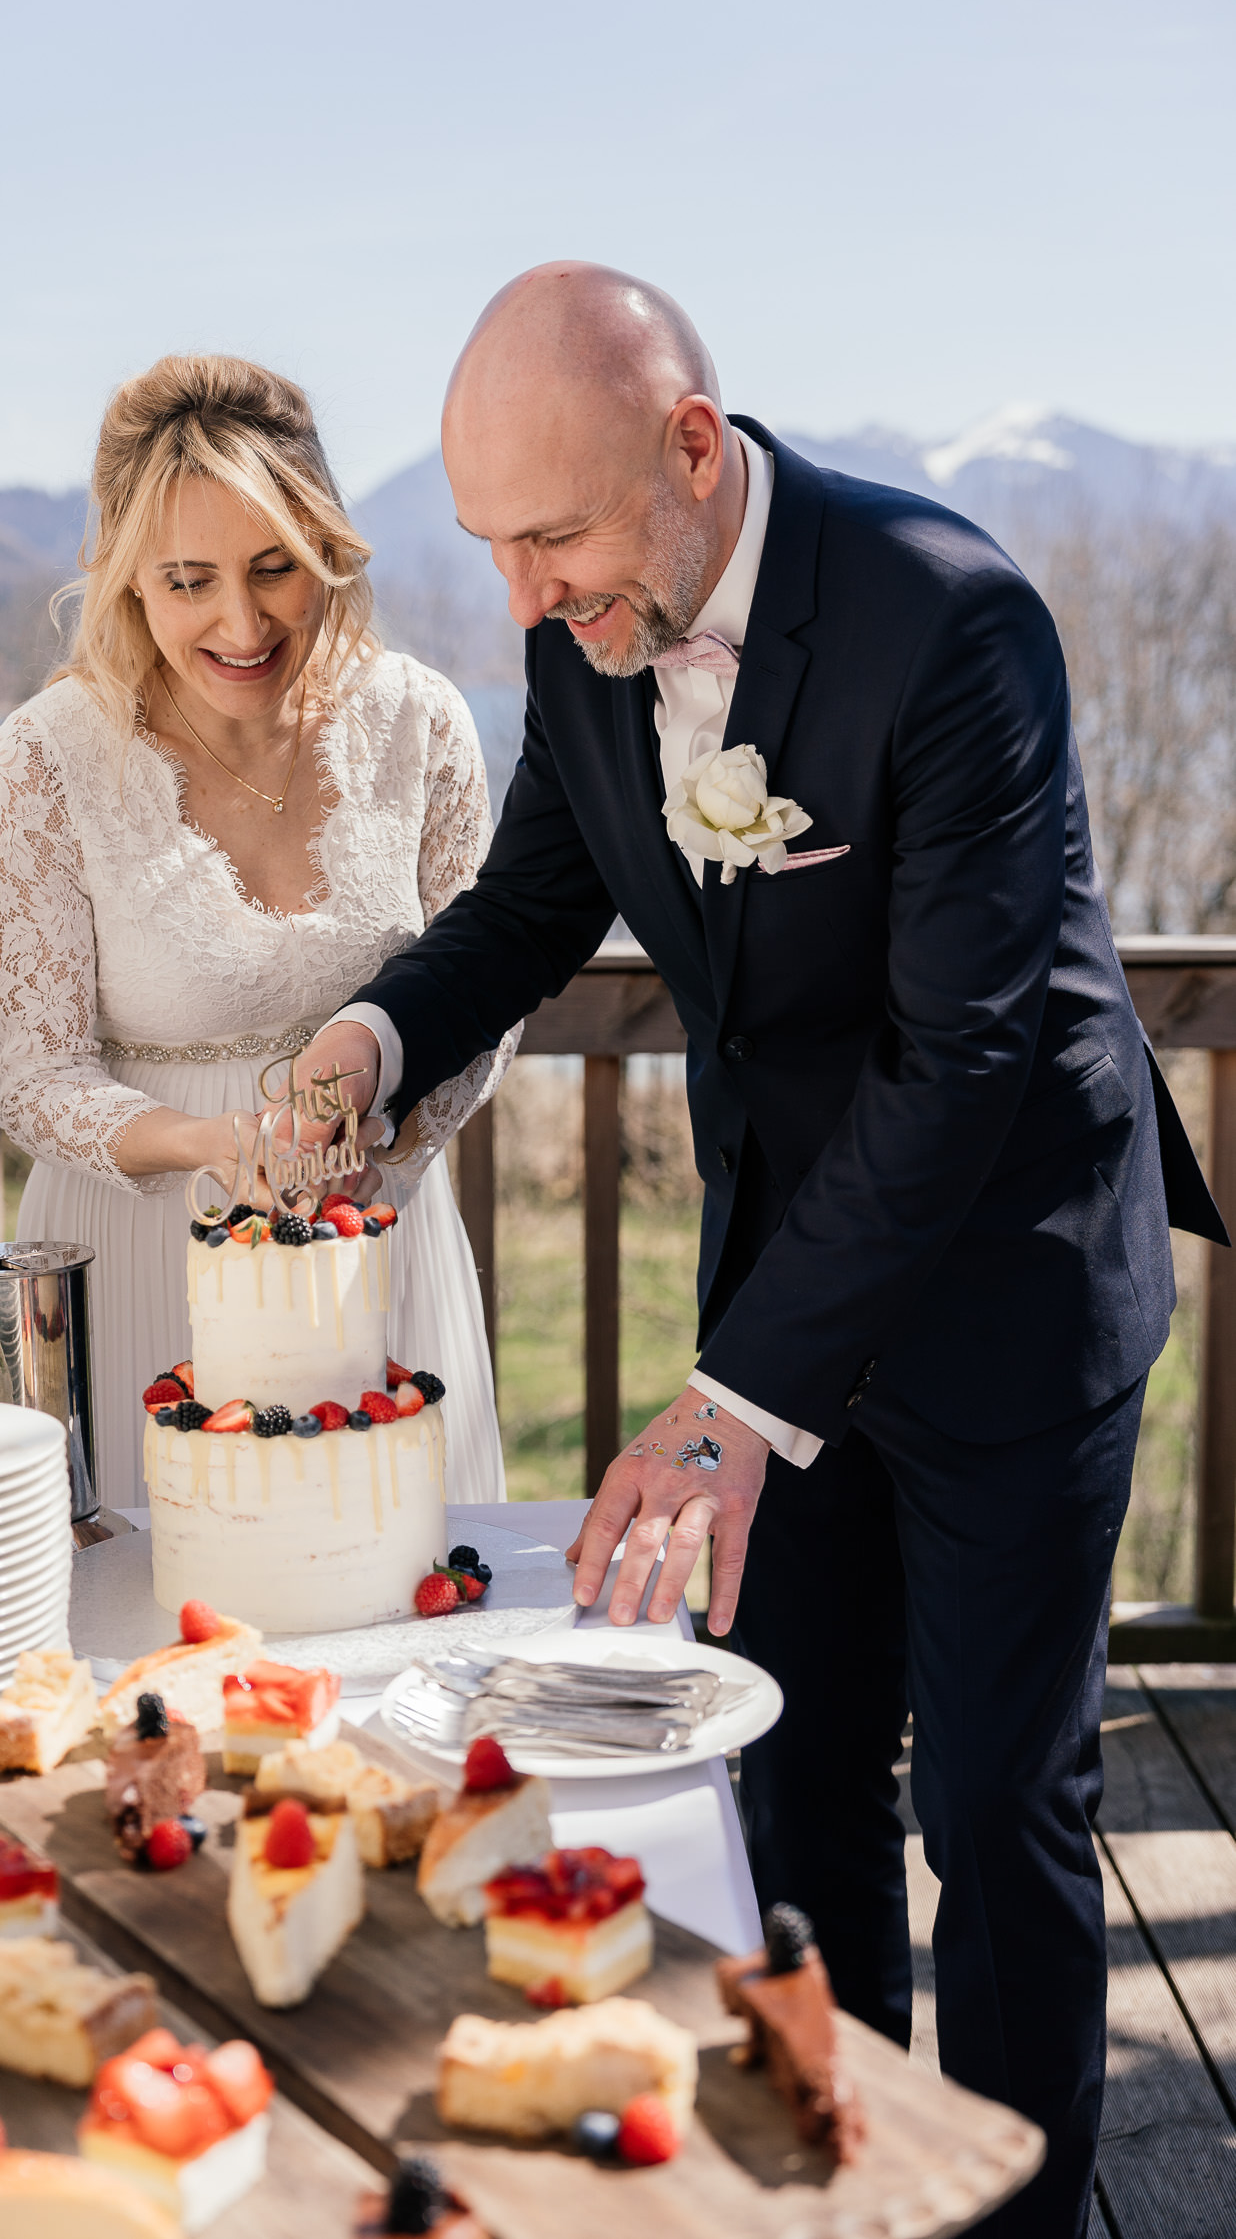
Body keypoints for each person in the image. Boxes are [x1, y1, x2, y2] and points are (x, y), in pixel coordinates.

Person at [299, 263, 1224, 2238]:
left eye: (552, 537)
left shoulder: (951, 619)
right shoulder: (584, 640)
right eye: (491, 547)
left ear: (695, 449)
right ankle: (837, 2182)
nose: (523, 596)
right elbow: (531, 906)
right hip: (783, 1305)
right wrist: (375, 1036)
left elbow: (960, 1062)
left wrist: (732, 1400)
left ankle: (1019, 2216)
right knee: (798, 1784)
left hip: (1008, 1285)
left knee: (1000, 1808)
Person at [0, 353, 513, 1510]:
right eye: (189, 581)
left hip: (374, 1237)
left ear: (325, 548)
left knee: (395, 1583)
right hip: (141, 1252)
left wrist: (385, 1148)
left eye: (275, 568)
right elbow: (36, 1080)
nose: (242, 621)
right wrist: (216, 1147)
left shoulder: (420, 723)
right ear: (125, 575)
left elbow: (490, 989)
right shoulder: (42, 762)